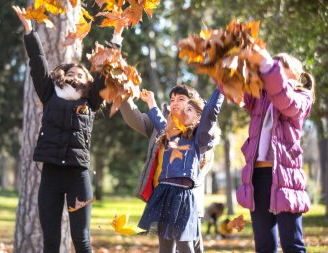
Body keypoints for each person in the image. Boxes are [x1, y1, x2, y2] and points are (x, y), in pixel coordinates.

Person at [12, 5, 122, 253]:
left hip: (78, 176)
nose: (75, 75)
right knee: (50, 242)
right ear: (62, 75)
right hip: (50, 174)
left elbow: (106, 71)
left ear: (88, 82)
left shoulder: (91, 100)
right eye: (71, 72)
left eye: (81, 74)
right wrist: (29, 30)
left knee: (81, 240)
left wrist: (116, 37)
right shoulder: (49, 93)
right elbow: (38, 62)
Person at [219, 47, 315, 253]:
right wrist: (221, 62)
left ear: (296, 73)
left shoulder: (301, 97)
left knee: (292, 244)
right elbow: (232, 89)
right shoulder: (259, 98)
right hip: (259, 176)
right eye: (271, 69)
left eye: (279, 68)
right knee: (264, 245)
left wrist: (266, 64)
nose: (273, 72)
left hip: (285, 177)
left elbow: (284, 99)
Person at [119, 84, 214, 253]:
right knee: (166, 245)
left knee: (191, 245)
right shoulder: (164, 126)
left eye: (181, 99)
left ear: (193, 106)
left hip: (187, 197)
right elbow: (150, 119)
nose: (175, 103)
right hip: (164, 194)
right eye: (172, 100)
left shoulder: (199, 131)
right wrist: (133, 98)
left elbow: (205, 160)